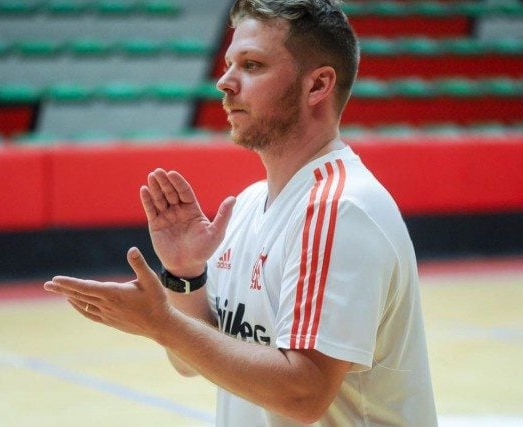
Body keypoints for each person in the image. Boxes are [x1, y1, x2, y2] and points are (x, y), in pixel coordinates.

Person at [44, 0, 437, 425]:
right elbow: (191, 360)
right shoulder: (251, 204)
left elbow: (303, 394)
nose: (225, 83)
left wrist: (161, 324)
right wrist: (185, 276)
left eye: (251, 65)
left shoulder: (339, 210)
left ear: (318, 85)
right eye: (229, 64)